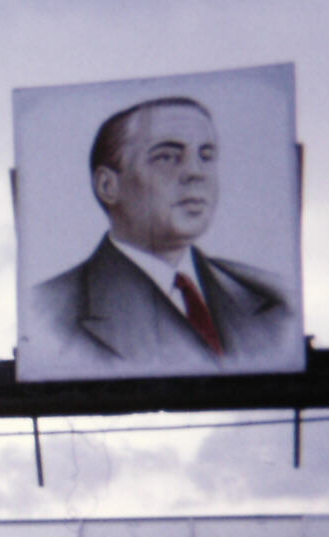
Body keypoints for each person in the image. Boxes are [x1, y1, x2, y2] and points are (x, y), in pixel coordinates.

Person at [30, 95, 295, 374]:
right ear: (108, 185)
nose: (195, 173)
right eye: (167, 157)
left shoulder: (272, 294)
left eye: (206, 156)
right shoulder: (50, 312)